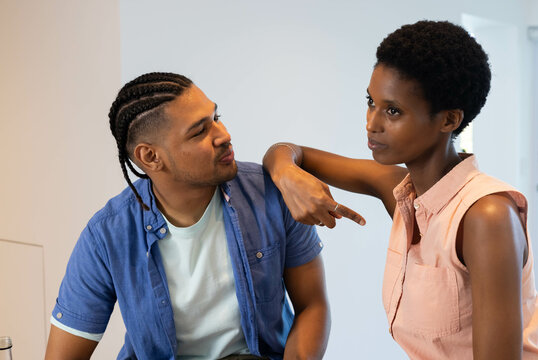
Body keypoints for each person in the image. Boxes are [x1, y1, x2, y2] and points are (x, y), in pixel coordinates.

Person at [263, 20, 538, 359]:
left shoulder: (486, 216)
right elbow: (287, 152)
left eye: (393, 111)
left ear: (449, 120)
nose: (371, 123)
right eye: (371, 102)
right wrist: (289, 177)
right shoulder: (403, 192)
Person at [44, 72, 330, 360]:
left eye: (216, 117)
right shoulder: (106, 236)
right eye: (199, 132)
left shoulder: (272, 195)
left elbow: (312, 304)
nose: (224, 134)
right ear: (151, 157)